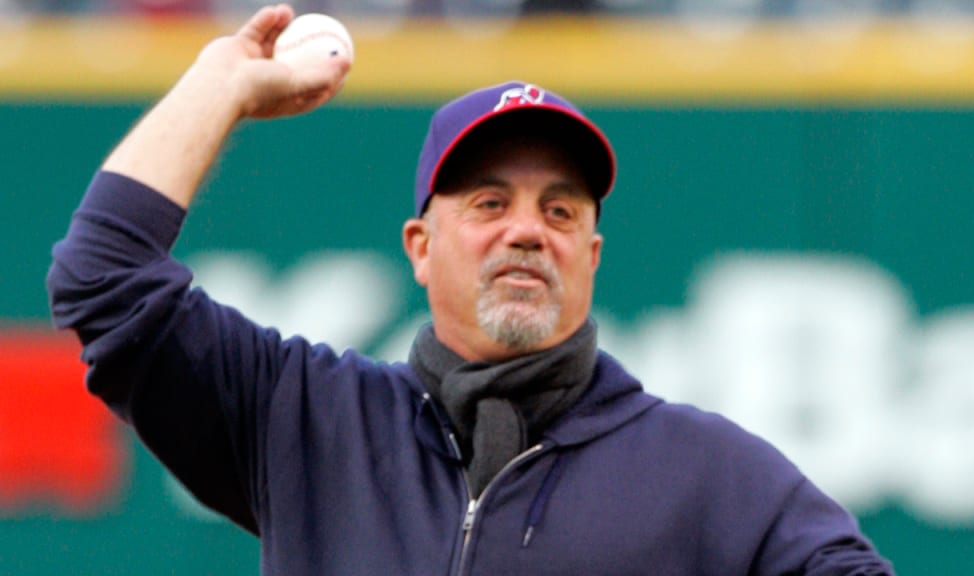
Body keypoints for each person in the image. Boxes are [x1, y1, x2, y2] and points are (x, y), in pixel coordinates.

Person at [47, 4, 895, 575]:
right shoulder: (305, 420)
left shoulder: (705, 474)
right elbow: (102, 279)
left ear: (591, 255)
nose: (527, 228)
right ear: (421, 246)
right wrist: (222, 85)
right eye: (490, 202)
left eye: (559, 209)